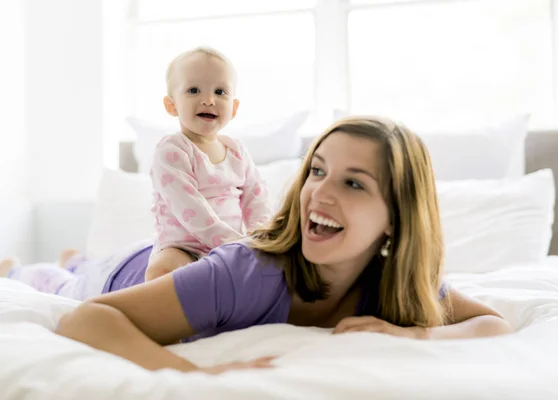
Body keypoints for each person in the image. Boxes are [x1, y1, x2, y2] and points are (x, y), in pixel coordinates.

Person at [1, 116, 513, 375]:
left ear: (396, 223)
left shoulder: (393, 285)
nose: (320, 192)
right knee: (65, 285)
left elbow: (493, 323)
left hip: (190, 268)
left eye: (354, 183)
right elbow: (85, 318)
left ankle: (73, 259)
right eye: (317, 171)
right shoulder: (250, 273)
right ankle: (47, 267)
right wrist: (192, 376)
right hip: (131, 273)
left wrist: (415, 339)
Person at [146, 45, 272, 281]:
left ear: (234, 108)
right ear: (171, 105)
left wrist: (260, 237)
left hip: (232, 247)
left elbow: (257, 197)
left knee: (271, 271)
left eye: (220, 92)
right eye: (193, 90)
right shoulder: (172, 149)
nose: (208, 100)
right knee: (162, 270)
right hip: (185, 248)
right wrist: (231, 243)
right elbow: (188, 206)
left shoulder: (236, 151)